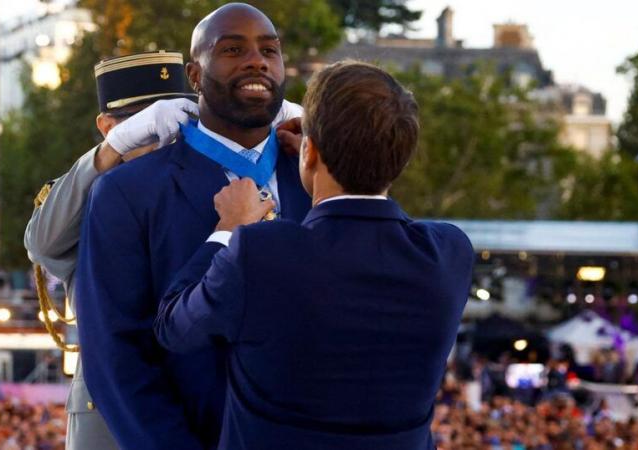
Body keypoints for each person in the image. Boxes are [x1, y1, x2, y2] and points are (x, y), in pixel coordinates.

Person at [154, 60, 474, 449]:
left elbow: (176, 327)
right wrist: (345, 160)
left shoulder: (260, 252)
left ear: (310, 151)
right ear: (402, 159)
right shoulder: (449, 254)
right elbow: (382, 218)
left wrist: (229, 227)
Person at [25, 50, 301, 449]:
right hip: (114, 409)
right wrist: (112, 151)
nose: (163, 135)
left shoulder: (215, 187)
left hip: (202, 397)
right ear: (108, 126)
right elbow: (42, 241)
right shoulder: (91, 196)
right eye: (142, 125)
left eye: (180, 117)